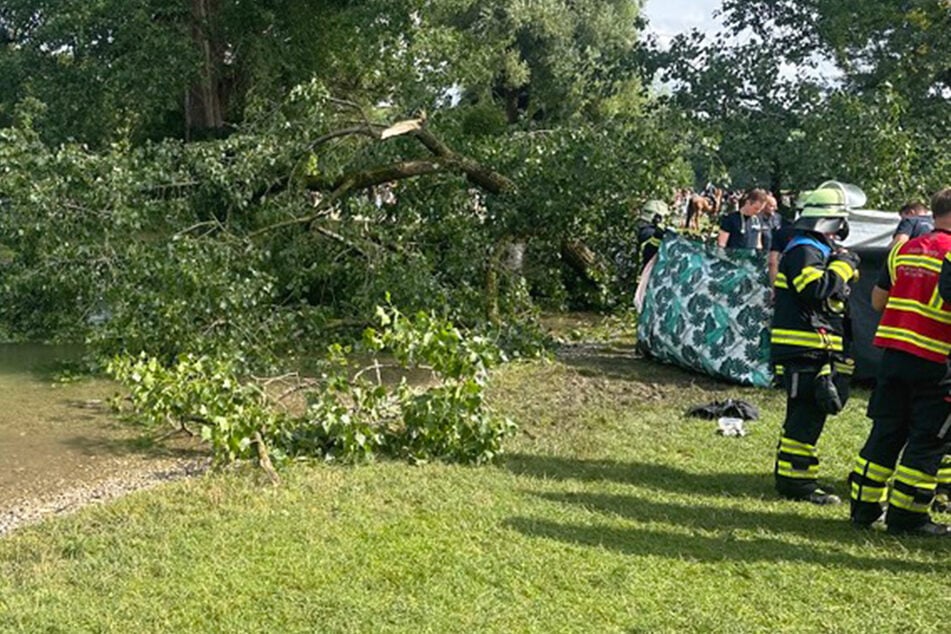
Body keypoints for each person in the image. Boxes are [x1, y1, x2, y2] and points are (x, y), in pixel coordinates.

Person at [849, 187, 951, 535]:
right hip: (936, 360)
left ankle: (863, 508)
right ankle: (907, 517)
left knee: (886, 431)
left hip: (892, 358)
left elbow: (878, 302)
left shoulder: (903, 250)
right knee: (928, 439)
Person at [770, 188, 859, 505]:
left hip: (811, 346)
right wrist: (843, 268)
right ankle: (798, 486)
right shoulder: (805, 250)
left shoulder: (812, 248)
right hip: (804, 347)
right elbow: (814, 289)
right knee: (805, 418)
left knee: (805, 415)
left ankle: (793, 479)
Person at [634, 199, 670, 278]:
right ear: (657, 217)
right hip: (647, 279)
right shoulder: (648, 233)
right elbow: (649, 250)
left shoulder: (640, 229)